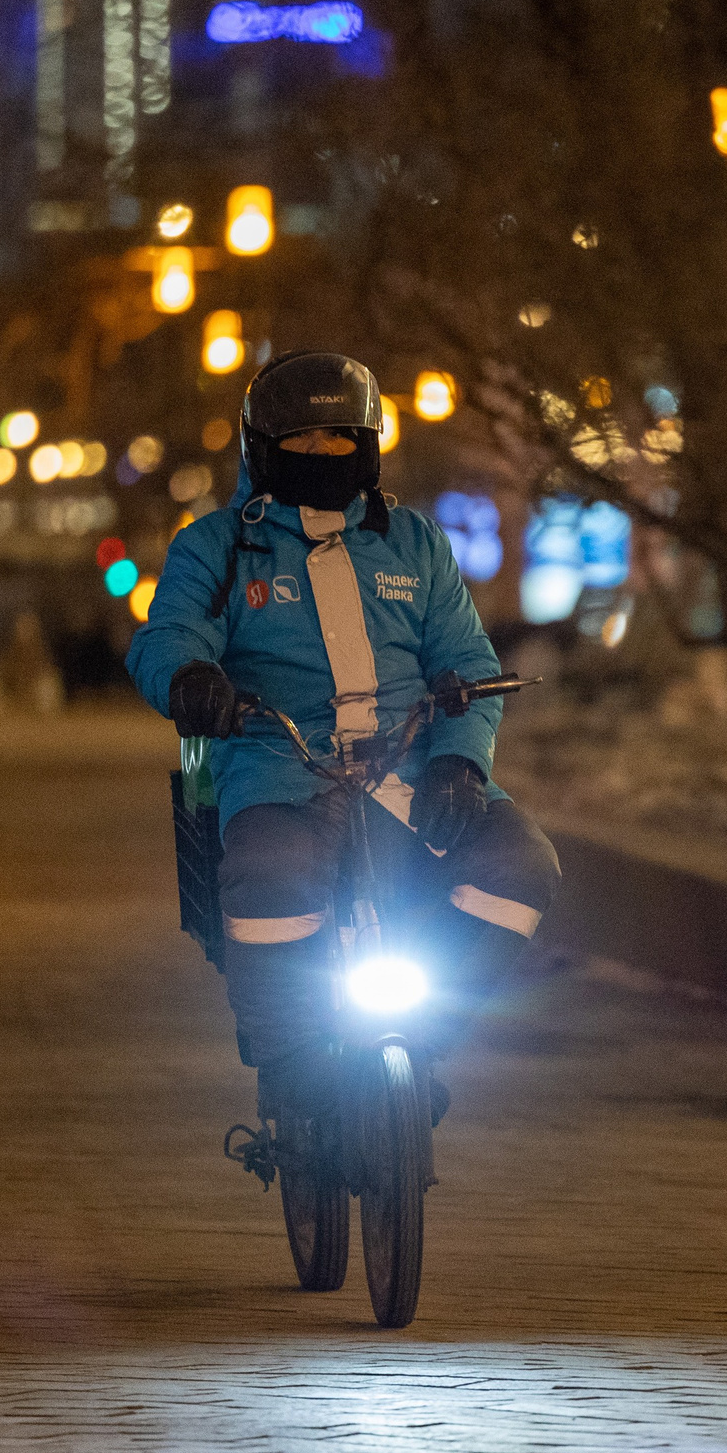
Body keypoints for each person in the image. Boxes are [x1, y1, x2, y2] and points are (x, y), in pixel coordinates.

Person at [125, 351, 559, 1127]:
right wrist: (191, 679)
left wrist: (459, 758)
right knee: (267, 877)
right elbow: (167, 637)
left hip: (410, 770)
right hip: (281, 771)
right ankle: (291, 1069)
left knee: (522, 862)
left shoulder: (415, 544)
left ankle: (423, 1043)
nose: (324, 456)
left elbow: (465, 660)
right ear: (262, 449)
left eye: (340, 439)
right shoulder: (217, 548)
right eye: (303, 442)